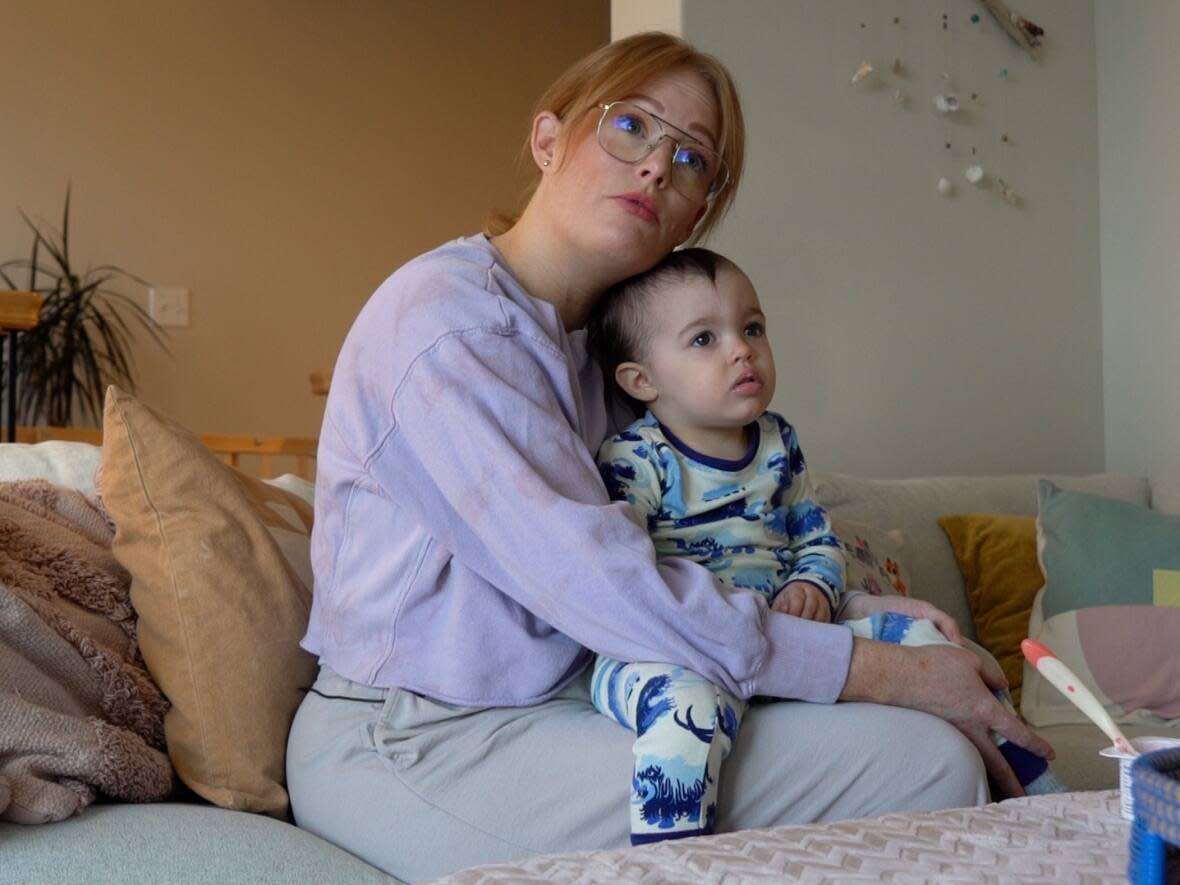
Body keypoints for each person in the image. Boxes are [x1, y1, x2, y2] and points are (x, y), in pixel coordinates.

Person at [285, 31, 1053, 883]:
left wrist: (868, 613)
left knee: (927, 746)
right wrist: (879, 671)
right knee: (925, 761)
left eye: (691, 159)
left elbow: (718, 539)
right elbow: (607, 583)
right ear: (548, 140)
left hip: (576, 707)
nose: (656, 166)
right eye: (630, 127)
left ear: (697, 215)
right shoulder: (450, 326)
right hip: (414, 739)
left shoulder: (618, 359)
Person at [587, 248, 1063, 844]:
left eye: (751, 328)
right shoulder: (635, 457)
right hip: (675, 648)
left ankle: (1045, 804)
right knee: (687, 714)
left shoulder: (776, 441)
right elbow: (627, 580)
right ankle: (670, 861)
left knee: (939, 649)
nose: (742, 349)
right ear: (641, 380)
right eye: (704, 339)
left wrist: (810, 582)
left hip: (787, 631)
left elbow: (815, 534)